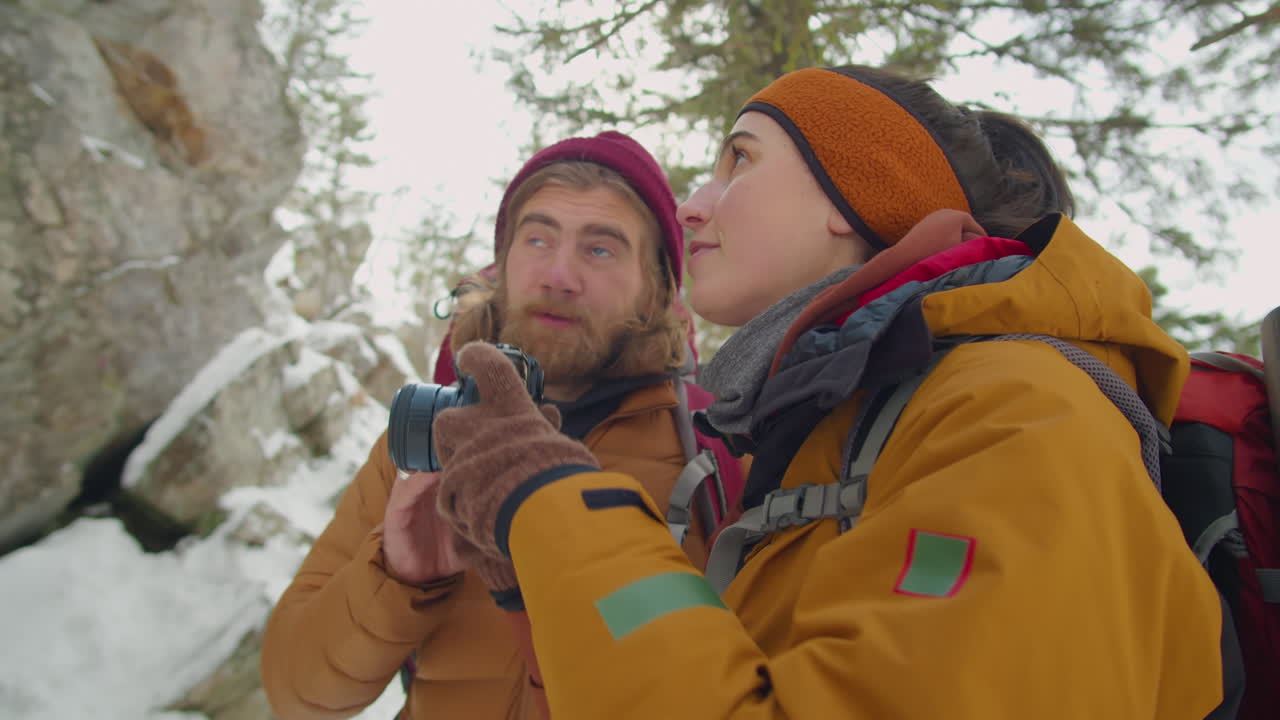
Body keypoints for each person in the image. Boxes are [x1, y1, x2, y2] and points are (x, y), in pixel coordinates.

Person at [424, 65, 1240, 718]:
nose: (692, 206)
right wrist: (525, 572)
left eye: (739, 158)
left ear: (857, 196)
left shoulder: (1020, 412)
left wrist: (554, 501)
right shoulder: (840, 431)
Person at [260, 130, 734, 720]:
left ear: (656, 289)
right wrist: (397, 577)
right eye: (537, 238)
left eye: (601, 249)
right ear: (504, 262)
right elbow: (296, 693)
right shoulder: (432, 434)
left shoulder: (718, 453)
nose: (558, 274)